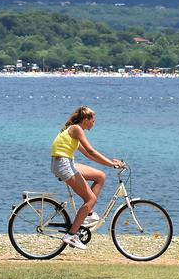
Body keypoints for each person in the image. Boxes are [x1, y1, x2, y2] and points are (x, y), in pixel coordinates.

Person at [49, 106, 124, 251]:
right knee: (91, 199)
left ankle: (87, 214)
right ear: (85, 120)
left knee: (100, 176)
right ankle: (71, 235)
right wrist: (111, 164)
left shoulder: (74, 131)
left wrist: (110, 163)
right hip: (62, 164)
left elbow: (89, 155)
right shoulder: (76, 129)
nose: (94, 124)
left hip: (65, 163)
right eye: (93, 121)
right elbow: (91, 150)